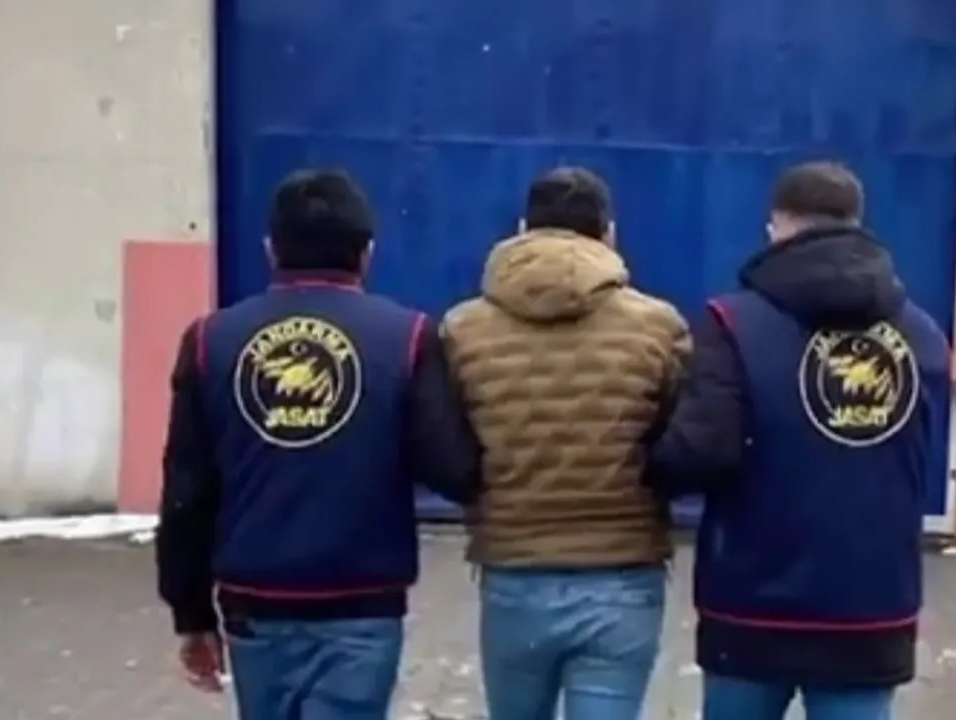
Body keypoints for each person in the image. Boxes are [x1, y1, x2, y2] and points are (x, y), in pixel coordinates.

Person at [155, 168, 481, 720]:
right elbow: (452, 470)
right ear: (367, 252)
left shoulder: (211, 341)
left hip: (254, 603)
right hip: (363, 602)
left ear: (270, 248)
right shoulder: (407, 338)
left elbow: (186, 491)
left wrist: (191, 613)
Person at [649, 161, 951, 720]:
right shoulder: (921, 334)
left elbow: (700, 455)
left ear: (778, 226)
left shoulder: (731, 323)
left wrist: (650, 457)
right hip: (872, 603)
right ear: (857, 223)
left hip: (751, 604)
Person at [440, 166, 690, 720]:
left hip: (513, 568)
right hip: (622, 571)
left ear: (522, 228)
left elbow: (447, 448)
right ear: (609, 233)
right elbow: (685, 441)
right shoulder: (659, 326)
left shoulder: (462, 329)